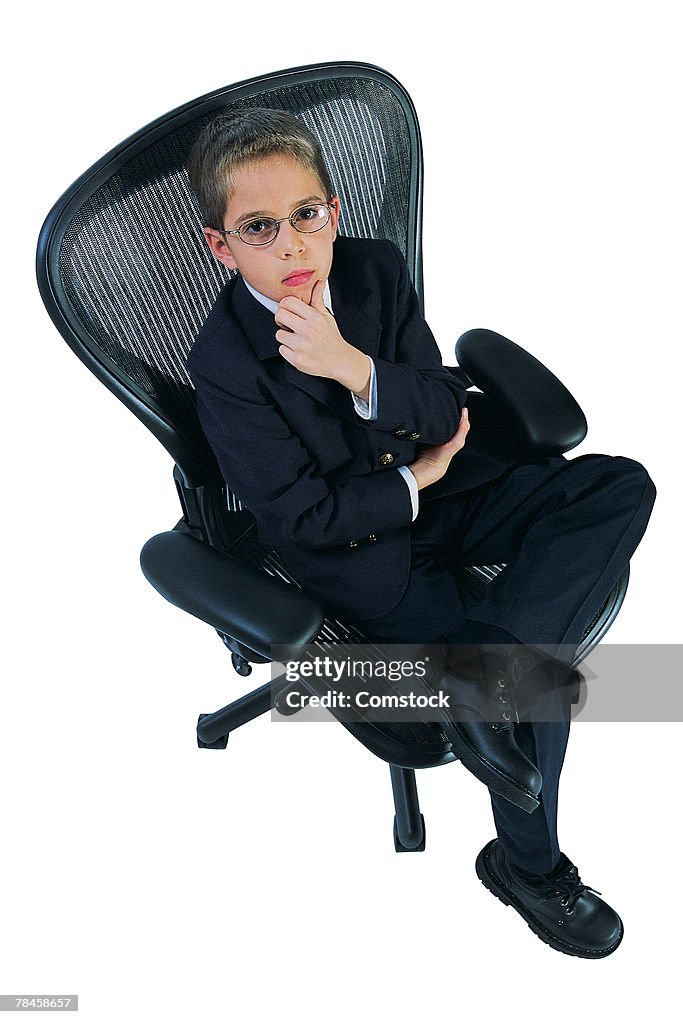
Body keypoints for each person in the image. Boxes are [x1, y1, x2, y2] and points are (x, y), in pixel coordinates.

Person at [185, 107, 656, 958]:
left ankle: (485, 671)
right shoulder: (222, 364)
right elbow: (300, 516)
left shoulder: (373, 271)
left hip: (454, 493)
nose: (292, 245)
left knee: (617, 486)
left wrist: (353, 368)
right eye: (259, 228)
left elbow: (441, 402)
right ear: (223, 247)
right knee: (532, 683)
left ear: (332, 208)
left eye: (307, 215)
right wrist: (412, 479)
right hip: (363, 554)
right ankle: (531, 868)